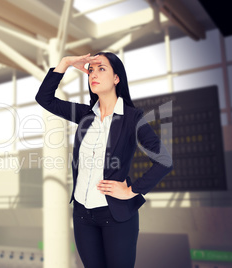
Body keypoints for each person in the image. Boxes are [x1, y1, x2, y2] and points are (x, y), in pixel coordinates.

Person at [35, 52, 173, 268]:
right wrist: (66, 63)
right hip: (82, 216)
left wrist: (131, 190)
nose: (93, 75)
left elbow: (164, 160)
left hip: (115, 216)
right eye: (91, 70)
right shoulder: (85, 115)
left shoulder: (132, 118)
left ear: (116, 78)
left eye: (101, 69)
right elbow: (44, 98)